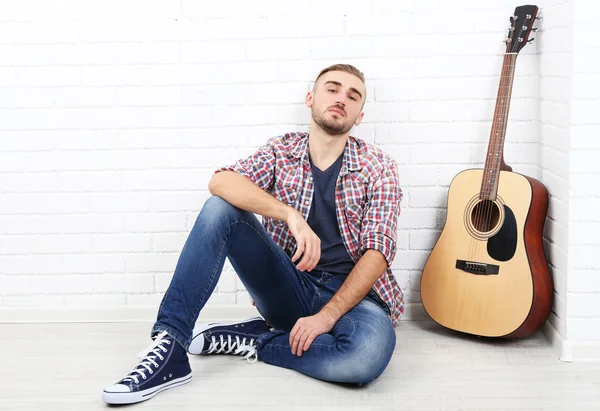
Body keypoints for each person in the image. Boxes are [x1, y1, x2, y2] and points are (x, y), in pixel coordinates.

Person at [102, 63, 404, 405]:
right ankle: (171, 346)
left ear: (359, 116)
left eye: (353, 96)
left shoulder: (378, 167)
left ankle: (258, 340)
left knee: (364, 357)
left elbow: (377, 253)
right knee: (220, 209)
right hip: (292, 285)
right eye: (332, 89)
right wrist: (288, 214)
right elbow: (221, 181)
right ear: (310, 98)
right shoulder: (281, 151)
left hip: (357, 300)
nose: (341, 99)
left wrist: (326, 317)